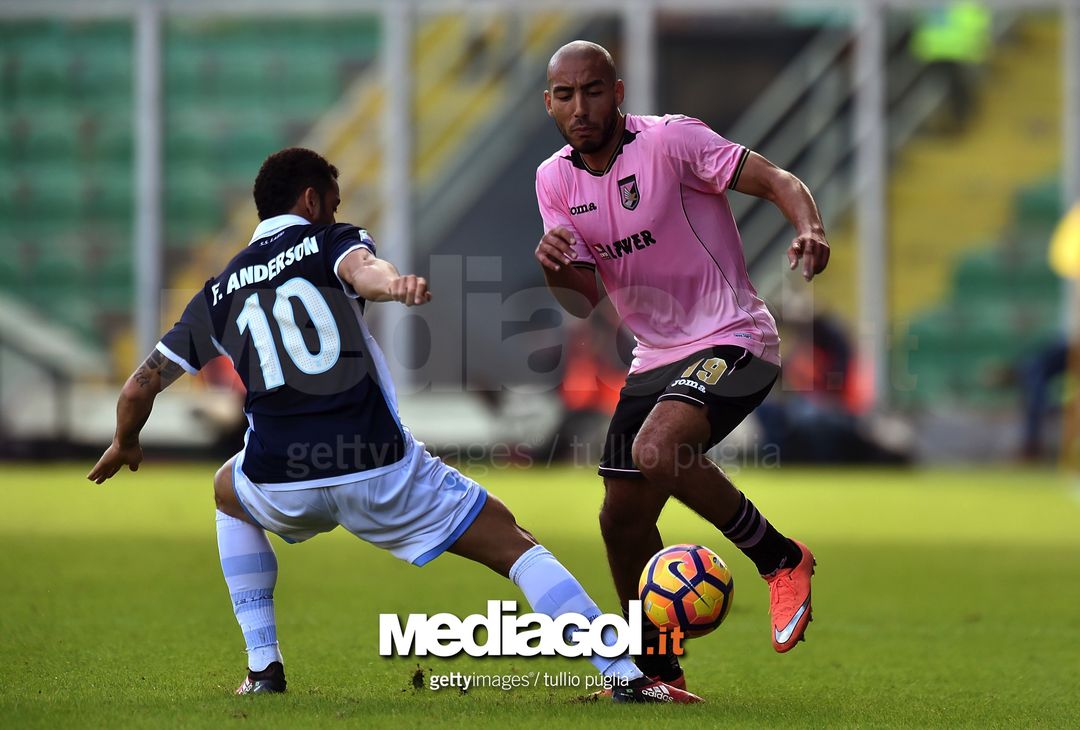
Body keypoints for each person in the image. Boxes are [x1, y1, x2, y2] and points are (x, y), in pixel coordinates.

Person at [87, 148, 699, 704]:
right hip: (376, 466)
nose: (336, 210)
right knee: (514, 545)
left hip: (280, 479)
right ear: (311, 201)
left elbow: (141, 383)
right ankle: (626, 676)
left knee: (227, 491)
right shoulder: (331, 240)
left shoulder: (218, 291)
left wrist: (125, 440)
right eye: (333, 199)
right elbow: (362, 270)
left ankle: (263, 669)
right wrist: (393, 284)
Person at [533, 41, 830, 689]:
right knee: (621, 519)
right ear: (549, 102)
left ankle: (780, 560)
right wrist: (554, 269)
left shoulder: (672, 142)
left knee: (657, 449)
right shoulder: (554, 179)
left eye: (591, 91)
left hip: (737, 336)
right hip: (655, 356)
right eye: (565, 95)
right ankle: (658, 672)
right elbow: (583, 300)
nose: (579, 107)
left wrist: (810, 227)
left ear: (617, 91)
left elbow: (779, 181)